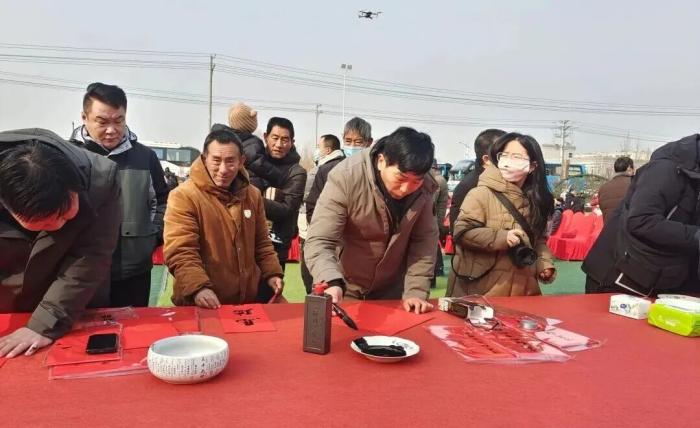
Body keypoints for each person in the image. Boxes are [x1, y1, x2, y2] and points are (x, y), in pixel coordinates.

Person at [0, 128, 121, 358]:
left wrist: (45, 323)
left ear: (75, 187)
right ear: (7, 207)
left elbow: (90, 258)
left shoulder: (99, 181)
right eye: (44, 221)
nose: (57, 226)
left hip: (72, 305)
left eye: (65, 215)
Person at [305, 127, 438, 314]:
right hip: (344, 286)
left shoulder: (425, 188)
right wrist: (331, 280)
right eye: (400, 178)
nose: (406, 189)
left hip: (391, 290)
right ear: (381, 161)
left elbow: (424, 241)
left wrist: (416, 291)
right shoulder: (346, 176)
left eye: (416, 181)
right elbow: (320, 239)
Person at [71, 82, 169, 307]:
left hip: (134, 271)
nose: (111, 130)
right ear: (84, 117)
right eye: (102, 122)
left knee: (134, 325)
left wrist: (151, 236)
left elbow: (164, 202)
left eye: (119, 121)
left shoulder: (145, 157)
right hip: (80, 272)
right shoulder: (69, 156)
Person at [163, 129, 284, 308]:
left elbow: (262, 243)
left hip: (245, 303)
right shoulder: (184, 196)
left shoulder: (253, 195)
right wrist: (198, 288)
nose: (223, 169)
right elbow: (181, 251)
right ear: (204, 159)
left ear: (241, 161)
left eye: (230, 161)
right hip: (200, 303)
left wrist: (272, 273)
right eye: (216, 160)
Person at [583, 135, 700, 296]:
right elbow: (641, 221)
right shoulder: (665, 169)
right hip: (618, 275)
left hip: (662, 280)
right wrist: (695, 235)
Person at [448, 132, 556, 297]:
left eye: (517, 157)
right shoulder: (480, 193)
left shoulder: (536, 200)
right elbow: (461, 232)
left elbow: (538, 239)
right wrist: (502, 237)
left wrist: (544, 264)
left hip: (523, 288)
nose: (509, 161)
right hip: (481, 290)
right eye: (504, 155)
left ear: (532, 166)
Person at [257, 117, 307, 301]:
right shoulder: (253, 164)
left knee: (268, 299)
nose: (279, 144)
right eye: (275, 138)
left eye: (285, 139)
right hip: (248, 244)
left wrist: (253, 199)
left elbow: (286, 209)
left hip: (276, 247)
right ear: (265, 137)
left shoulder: (297, 172)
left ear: (292, 142)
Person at [298, 134, 344, 293]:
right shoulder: (346, 166)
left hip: (317, 233)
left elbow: (309, 202)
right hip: (339, 239)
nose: (317, 150)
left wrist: (316, 227)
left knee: (315, 278)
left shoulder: (321, 170)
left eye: (319, 147)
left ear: (328, 150)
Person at [211, 102, 285, 191]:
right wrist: (278, 175)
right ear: (249, 123)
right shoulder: (251, 142)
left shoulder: (221, 138)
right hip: (249, 185)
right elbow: (259, 164)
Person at [449, 129, 507, 233]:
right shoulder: (469, 186)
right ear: (487, 159)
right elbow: (459, 232)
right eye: (504, 154)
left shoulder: (506, 181)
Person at [598, 156, 634, 222]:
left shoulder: (603, 188)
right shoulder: (635, 184)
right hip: (629, 226)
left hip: (609, 226)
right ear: (629, 168)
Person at [431, 159, 449, 287]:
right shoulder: (440, 179)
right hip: (436, 218)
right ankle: (439, 268)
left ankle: (437, 269)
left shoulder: (435, 180)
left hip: (431, 218)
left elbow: (431, 202)